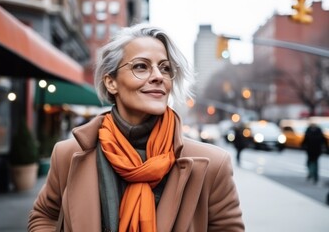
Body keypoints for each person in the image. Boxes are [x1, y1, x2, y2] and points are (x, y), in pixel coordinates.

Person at [28, 23, 244, 232]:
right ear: (111, 82)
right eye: (141, 66)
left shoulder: (213, 166)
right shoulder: (68, 154)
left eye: (165, 68)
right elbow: (44, 216)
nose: (159, 76)